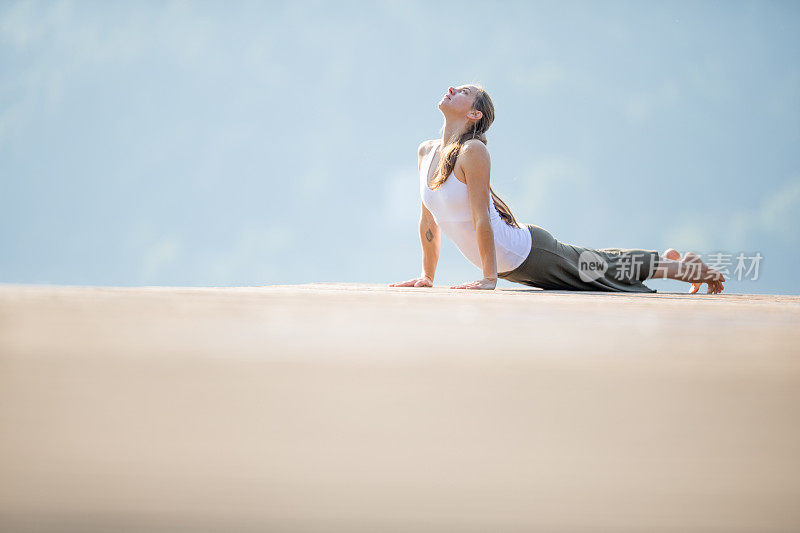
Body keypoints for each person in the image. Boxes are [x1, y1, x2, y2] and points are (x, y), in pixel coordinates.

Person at [389, 84, 725, 294]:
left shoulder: (472, 151)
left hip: (527, 252)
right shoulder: (426, 152)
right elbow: (429, 222)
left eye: (463, 91)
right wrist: (426, 276)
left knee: (598, 270)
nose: (452, 89)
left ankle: (687, 268)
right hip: (513, 264)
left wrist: (488, 278)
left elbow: (481, 219)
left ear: (475, 113)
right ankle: (668, 260)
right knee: (599, 266)